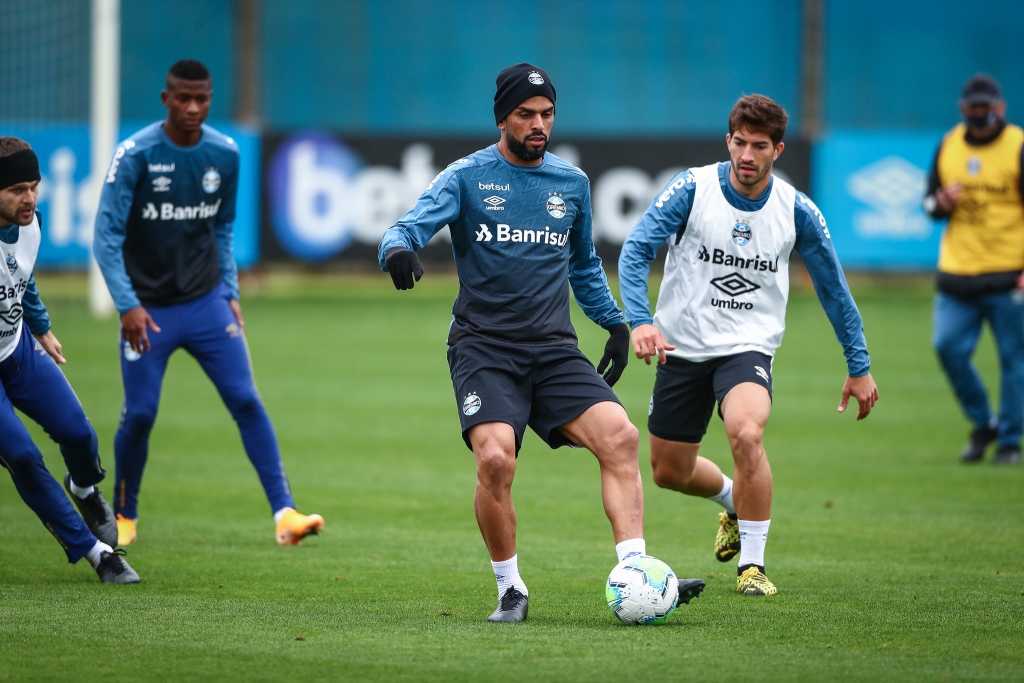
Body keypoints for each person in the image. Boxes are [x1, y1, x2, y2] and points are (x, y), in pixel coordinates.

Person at [378, 63, 704, 622]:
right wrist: (398, 251)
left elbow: (582, 266)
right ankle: (510, 589)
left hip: (553, 350)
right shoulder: (466, 177)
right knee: (497, 460)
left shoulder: (570, 183)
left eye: (547, 114)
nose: (538, 125)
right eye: (526, 114)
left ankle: (637, 573)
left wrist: (615, 323)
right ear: (502, 117)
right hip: (484, 349)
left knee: (621, 438)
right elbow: (403, 228)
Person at [618, 94, 878, 596]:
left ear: (778, 149)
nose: (747, 155)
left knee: (746, 432)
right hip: (682, 348)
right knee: (669, 471)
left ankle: (752, 568)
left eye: (760, 146)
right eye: (740, 143)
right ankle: (735, 501)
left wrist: (859, 363)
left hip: (747, 348)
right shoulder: (691, 189)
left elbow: (834, 289)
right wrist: (640, 321)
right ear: (728, 141)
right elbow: (634, 251)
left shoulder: (796, 209)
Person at [93, 59, 324, 546]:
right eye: (184, 99)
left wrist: (231, 292)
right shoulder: (135, 155)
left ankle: (285, 513)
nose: (194, 108)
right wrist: (127, 304)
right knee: (140, 415)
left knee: (245, 399)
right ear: (166, 99)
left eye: (203, 99)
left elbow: (221, 228)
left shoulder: (225, 154)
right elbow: (105, 238)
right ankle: (125, 514)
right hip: (147, 313)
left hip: (206, 303)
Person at [0, 137, 139, 583]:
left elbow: (23, 277)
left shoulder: (31, 225)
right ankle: (99, 555)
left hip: (17, 349)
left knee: (78, 432)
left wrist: (41, 328)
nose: (30, 198)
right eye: (17, 188)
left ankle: (83, 486)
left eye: (34, 186)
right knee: (23, 456)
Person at [923, 73, 1024, 466]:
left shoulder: (1017, 146)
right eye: (973, 109)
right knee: (947, 347)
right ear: (964, 109)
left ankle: (1011, 442)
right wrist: (942, 202)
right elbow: (929, 205)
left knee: (1013, 361)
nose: (980, 115)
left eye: (987, 108)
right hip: (958, 272)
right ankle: (985, 422)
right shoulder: (949, 145)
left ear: (1000, 107)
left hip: (1008, 274)